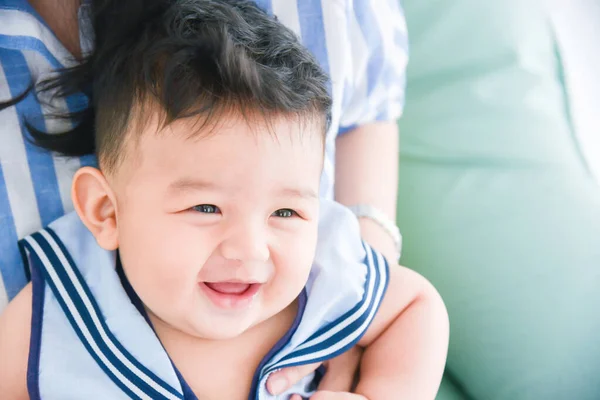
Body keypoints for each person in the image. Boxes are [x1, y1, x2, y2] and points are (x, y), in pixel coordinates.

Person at [0, 1, 448, 399]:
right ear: (105, 210)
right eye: (206, 208)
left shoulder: (324, 274)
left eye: (286, 211)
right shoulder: (60, 306)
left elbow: (416, 307)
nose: (249, 248)